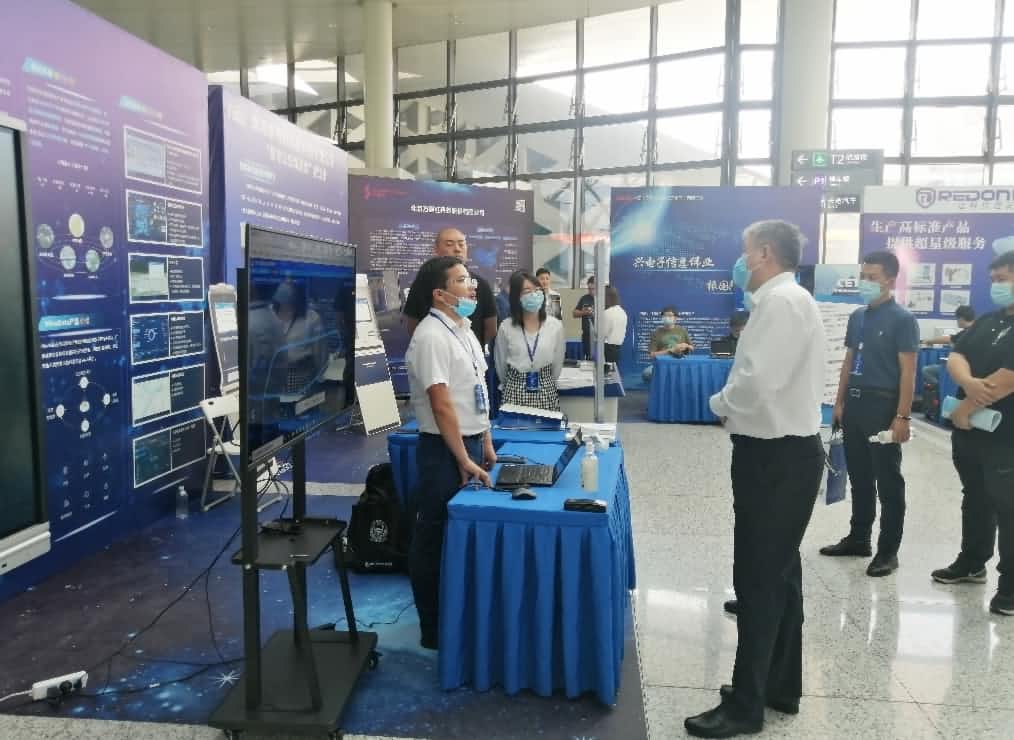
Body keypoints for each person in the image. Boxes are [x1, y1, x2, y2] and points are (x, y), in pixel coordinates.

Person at [684, 220, 826, 739]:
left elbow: (756, 382)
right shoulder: (787, 300)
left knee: (758, 582)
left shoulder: (781, 303)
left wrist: (719, 404)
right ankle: (777, 686)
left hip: (774, 458)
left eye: (744, 251)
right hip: (783, 454)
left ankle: (745, 707)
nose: (740, 262)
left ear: (764, 253)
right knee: (781, 576)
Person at [404, 256, 496, 650]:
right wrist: (462, 457)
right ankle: (434, 629)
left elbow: (476, 391)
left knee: (454, 535)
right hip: (443, 450)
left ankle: (457, 617)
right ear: (440, 294)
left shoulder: (465, 331)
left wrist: (485, 440)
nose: (472, 286)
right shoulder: (430, 336)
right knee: (434, 538)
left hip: (468, 443)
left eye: (470, 278)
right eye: (461, 280)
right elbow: (441, 405)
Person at [820, 250, 919, 578]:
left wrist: (902, 417)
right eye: (863, 276)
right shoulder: (857, 316)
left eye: (872, 277)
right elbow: (849, 361)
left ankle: (888, 551)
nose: (865, 282)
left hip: (883, 406)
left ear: (890, 279)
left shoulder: (903, 320)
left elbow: (908, 372)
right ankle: (859, 538)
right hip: (855, 405)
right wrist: (839, 402)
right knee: (860, 477)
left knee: (888, 482)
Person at [930, 251, 1014, 617]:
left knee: (1008, 507)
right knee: (975, 497)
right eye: (994, 280)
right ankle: (972, 562)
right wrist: (967, 382)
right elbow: (956, 355)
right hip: (972, 433)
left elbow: (1007, 378)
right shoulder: (989, 321)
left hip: (1005, 435)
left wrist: (965, 408)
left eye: (1003, 279)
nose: (997, 286)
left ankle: (1010, 586)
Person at [403, 227, 498, 348]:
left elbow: (491, 328)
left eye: (461, 244)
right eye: (449, 244)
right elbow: (412, 324)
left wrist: (471, 349)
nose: (457, 249)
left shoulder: (482, 284)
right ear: (436, 250)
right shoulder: (422, 283)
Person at [494, 271, 566, 411]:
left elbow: (557, 364)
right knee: (514, 426)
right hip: (514, 391)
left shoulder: (555, 326)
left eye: (537, 290)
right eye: (527, 291)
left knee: (546, 425)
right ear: (516, 297)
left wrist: (545, 380)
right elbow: (501, 365)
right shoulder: (506, 326)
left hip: (546, 390)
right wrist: (515, 381)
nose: (534, 294)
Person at [921, 305, 976, 387]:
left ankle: (941, 389)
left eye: (957, 319)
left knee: (926, 370)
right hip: (972, 369)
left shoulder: (966, 333)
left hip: (961, 368)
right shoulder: (978, 329)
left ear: (961, 319)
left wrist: (929, 341)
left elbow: (948, 339)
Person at [642, 306, 693, 383]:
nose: (667, 318)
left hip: (680, 362)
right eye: (665, 316)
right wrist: (670, 351)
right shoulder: (656, 333)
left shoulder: (682, 330)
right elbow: (652, 355)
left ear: (675, 318)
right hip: (662, 364)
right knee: (647, 373)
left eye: (669, 315)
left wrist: (686, 346)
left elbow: (692, 347)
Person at [601, 284, 627, 364]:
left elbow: (602, 334)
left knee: (606, 370)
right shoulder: (622, 312)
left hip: (607, 349)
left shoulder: (607, 313)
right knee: (613, 369)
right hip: (617, 349)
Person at [573, 275, 595, 360]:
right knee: (588, 358)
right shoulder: (584, 298)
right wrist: (584, 312)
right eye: (589, 289)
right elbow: (574, 313)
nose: (590, 291)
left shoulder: (603, 299)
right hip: (586, 335)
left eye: (593, 289)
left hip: (599, 336)